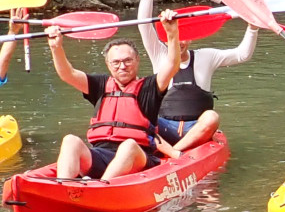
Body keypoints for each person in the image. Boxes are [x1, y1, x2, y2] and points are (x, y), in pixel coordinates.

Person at [46, 13, 186, 181]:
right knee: (70, 141)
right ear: (108, 65)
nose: (122, 66)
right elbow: (68, 74)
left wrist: (172, 34)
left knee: (128, 146)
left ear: (137, 61)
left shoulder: (149, 87)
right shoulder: (100, 85)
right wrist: (56, 48)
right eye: (116, 62)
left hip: (138, 157)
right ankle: (65, 188)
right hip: (101, 154)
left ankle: (100, 188)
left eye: (128, 61)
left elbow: (172, 65)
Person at [137, 0, 256, 152]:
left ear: (191, 37)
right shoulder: (159, 54)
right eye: (175, 35)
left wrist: (253, 27)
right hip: (164, 128)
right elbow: (144, 25)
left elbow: (242, 54)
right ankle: (171, 150)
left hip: (196, 128)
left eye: (183, 35)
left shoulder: (206, 56)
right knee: (138, 114)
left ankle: (175, 152)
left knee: (212, 117)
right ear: (167, 35)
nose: (179, 41)